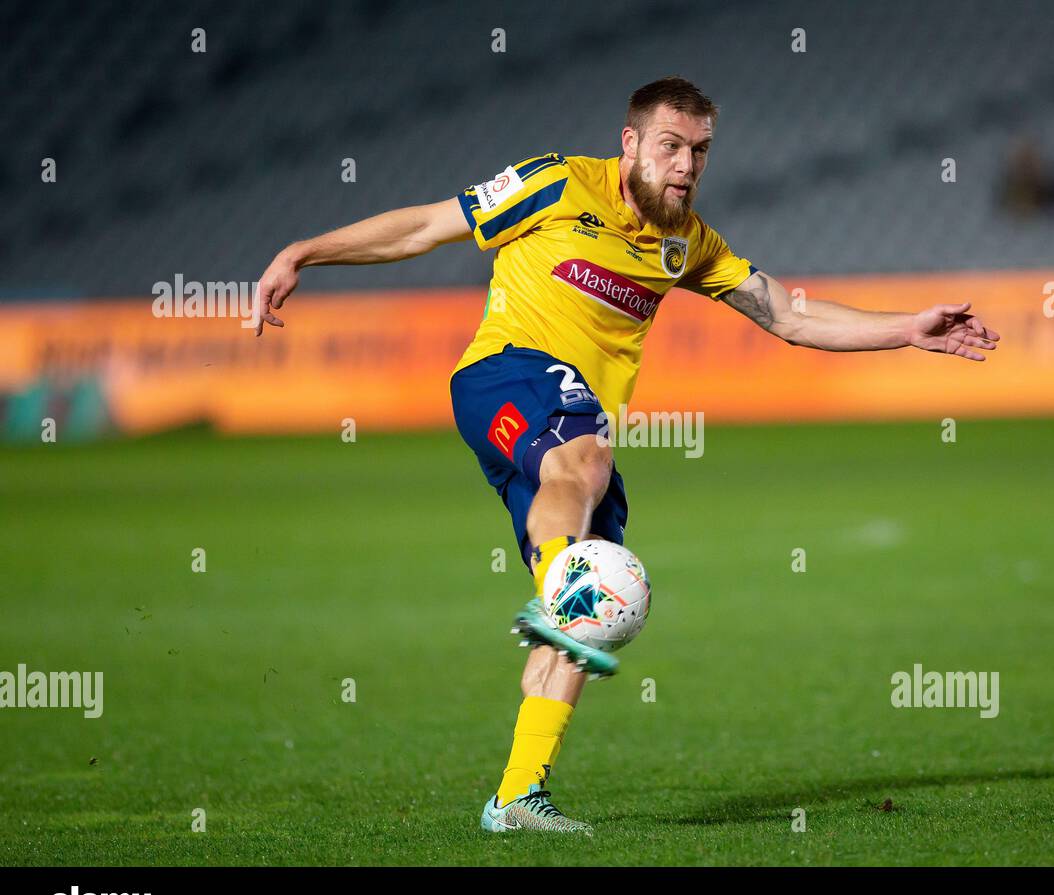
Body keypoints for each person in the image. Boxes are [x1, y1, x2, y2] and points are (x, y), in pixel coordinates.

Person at [250, 76, 999, 834]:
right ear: (631, 143)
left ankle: (516, 796)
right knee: (586, 476)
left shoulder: (687, 245)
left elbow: (789, 316)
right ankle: (558, 579)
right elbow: (424, 228)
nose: (687, 165)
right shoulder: (554, 182)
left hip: (565, 443)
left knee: (594, 607)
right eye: (672, 146)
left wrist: (907, 328)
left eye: (701, 151)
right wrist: (305, 253)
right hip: (502, 373)